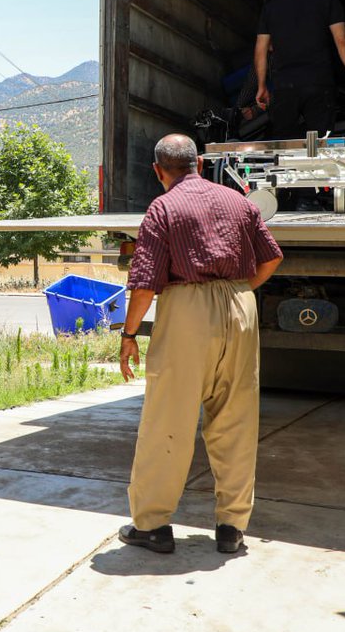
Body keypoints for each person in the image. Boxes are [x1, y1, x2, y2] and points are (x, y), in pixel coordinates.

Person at [117, 134, 283, 555]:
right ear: (201, 165)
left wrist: (129, 334)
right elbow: (272, 258)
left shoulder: (164, 207)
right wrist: (239, 291)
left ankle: (153, 526)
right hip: (241, 305)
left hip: (187, 308)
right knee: (236, 420)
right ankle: (231, 527)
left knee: (167, 419)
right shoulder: (239, 201)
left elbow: (144, 285)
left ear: (159, 172)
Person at [254, 0, 345, 140]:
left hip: (284, 86)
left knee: (284, 143)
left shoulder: (270, 8)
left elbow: (260, 49)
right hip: (319, 83)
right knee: (321, 142)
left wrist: (261, 86)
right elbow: (342, 40)